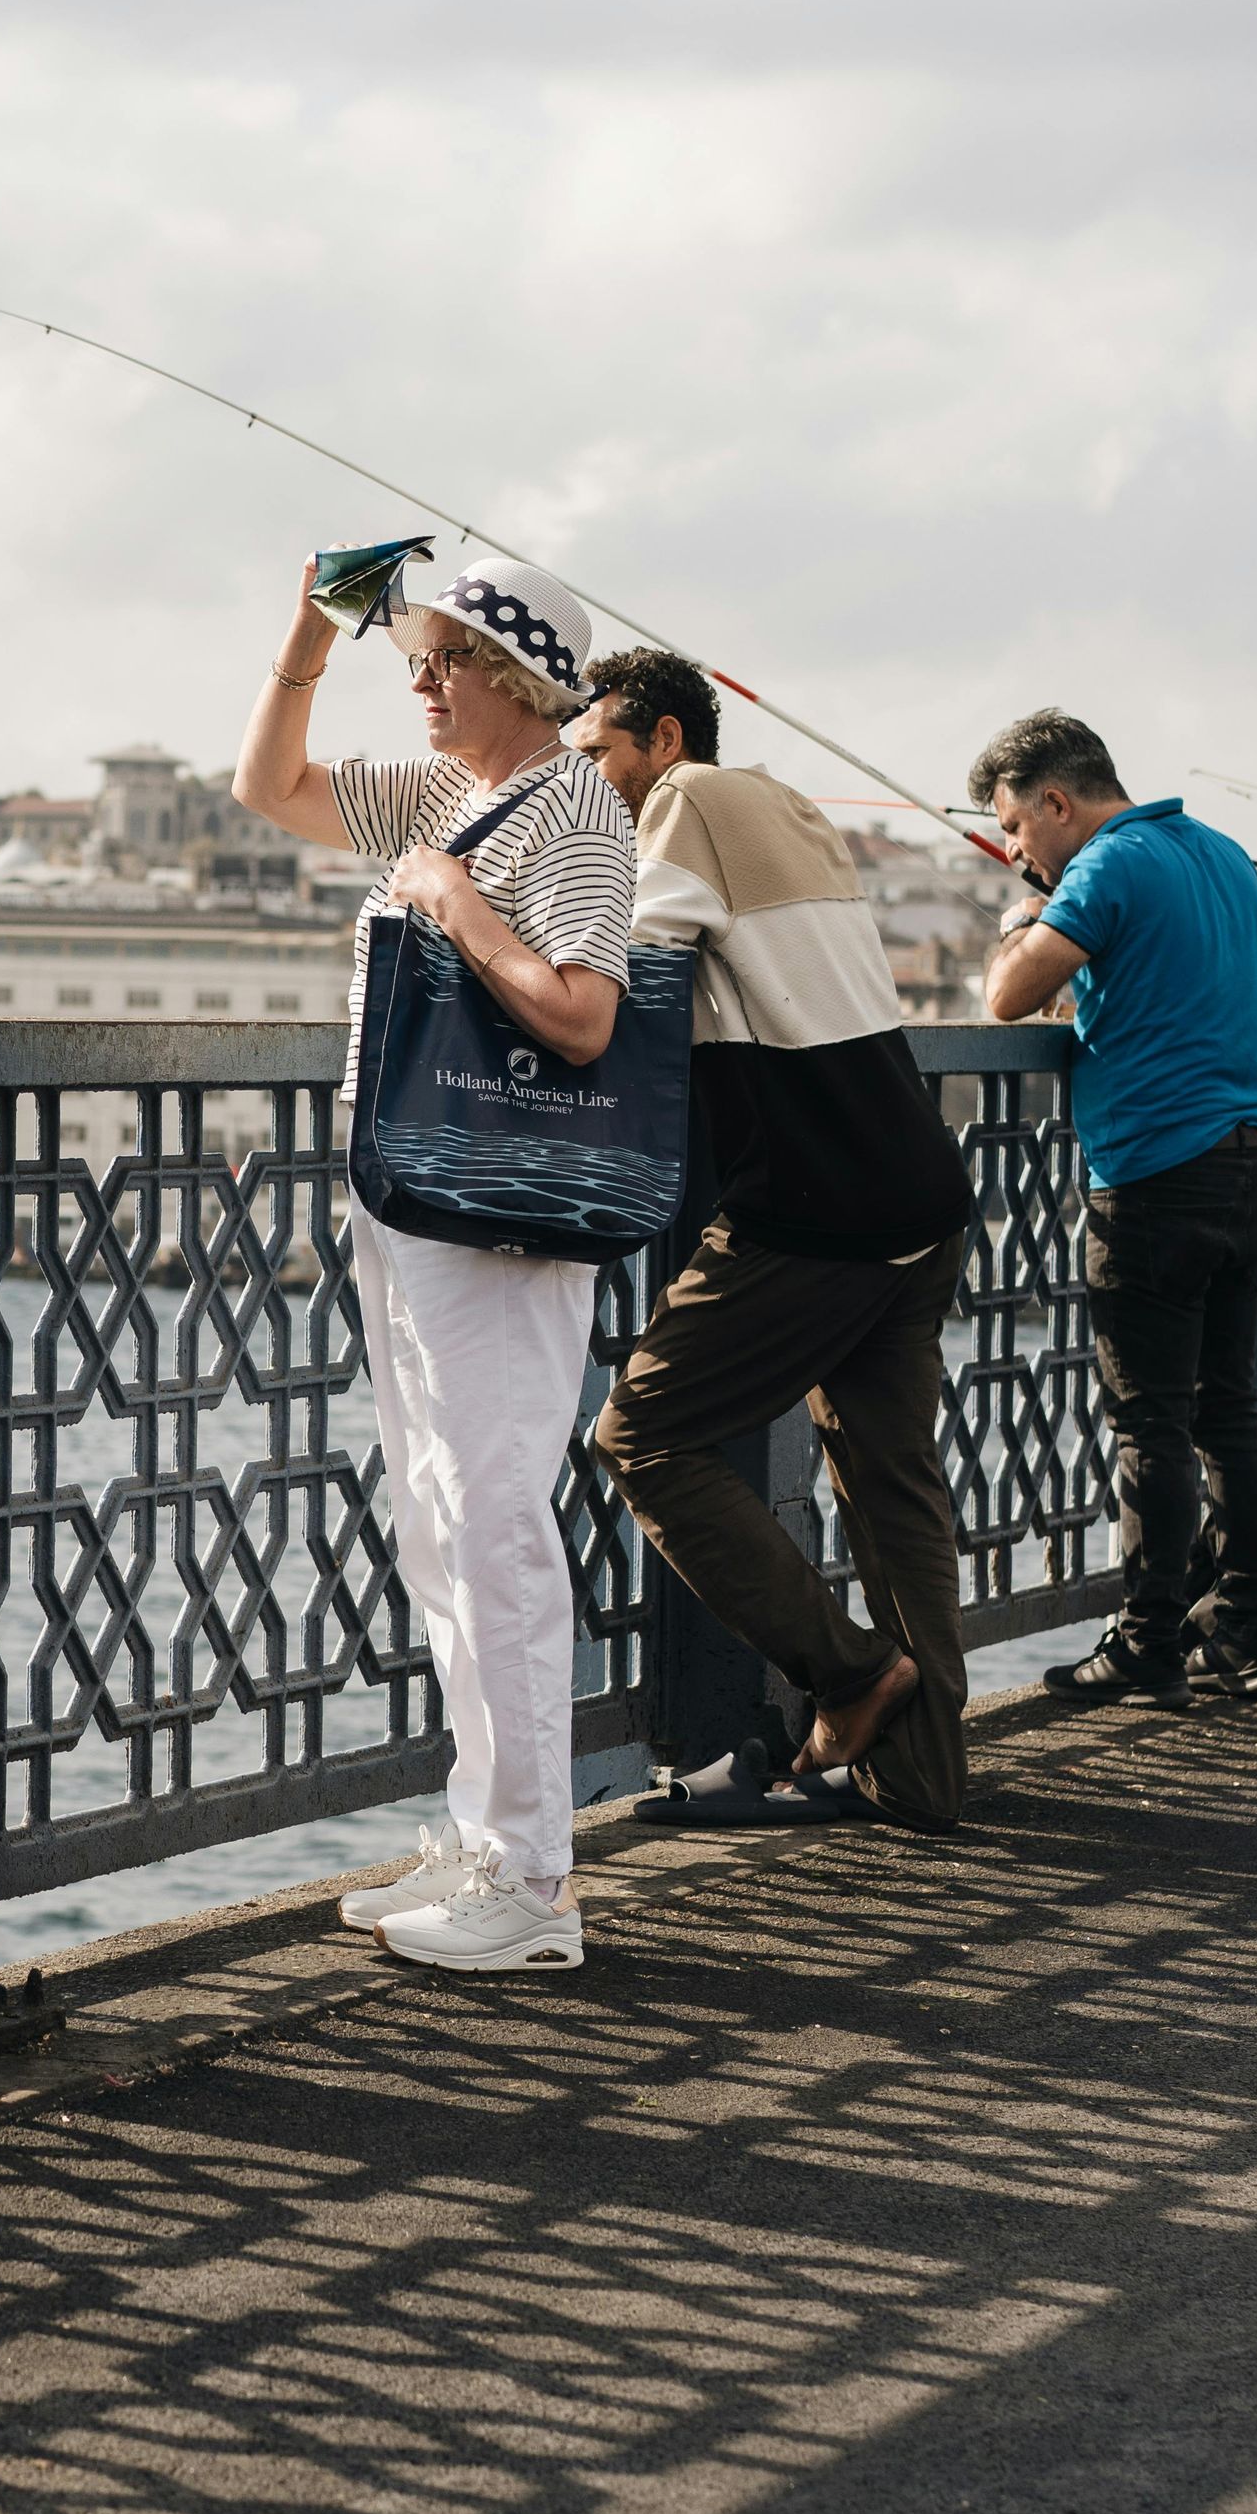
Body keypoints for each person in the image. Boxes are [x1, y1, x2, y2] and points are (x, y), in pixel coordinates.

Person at [233, 553, 635, 1969]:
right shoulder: (445, 794)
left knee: (495, 1517)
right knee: (439, 1518)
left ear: (514, 675)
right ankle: (485, 1836)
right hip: (413, 1190)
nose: (417, 682)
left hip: (498, 1209)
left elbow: (586, 1016)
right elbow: (268, 792)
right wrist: (303, 634)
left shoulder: (572, 813)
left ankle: (532, 1886)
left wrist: (458, 905)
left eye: (440, 660)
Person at [573, 649, 976, 1831]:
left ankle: (850, 1678)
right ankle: (921, 1779)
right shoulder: (793, 813)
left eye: (597, 752)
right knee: (895, 1489)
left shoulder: (684, 801)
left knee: (642, 1433)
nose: (589, 777)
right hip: (913, 1191)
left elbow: (631, 982)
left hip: (815, 1206)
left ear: (661, 739)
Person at [971, 709, 1257, 1705]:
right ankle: (1248, 1628)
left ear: (1058, 801)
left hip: (1156, 1172)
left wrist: (1023, 919)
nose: (1016, 851)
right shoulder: (1224, 856)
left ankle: (1146, 1640)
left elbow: (1007, 1000)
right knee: (1228, 1407)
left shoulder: (1105, 869)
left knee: (1147, 1419)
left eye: (1017, 830)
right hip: (1249, 1157)